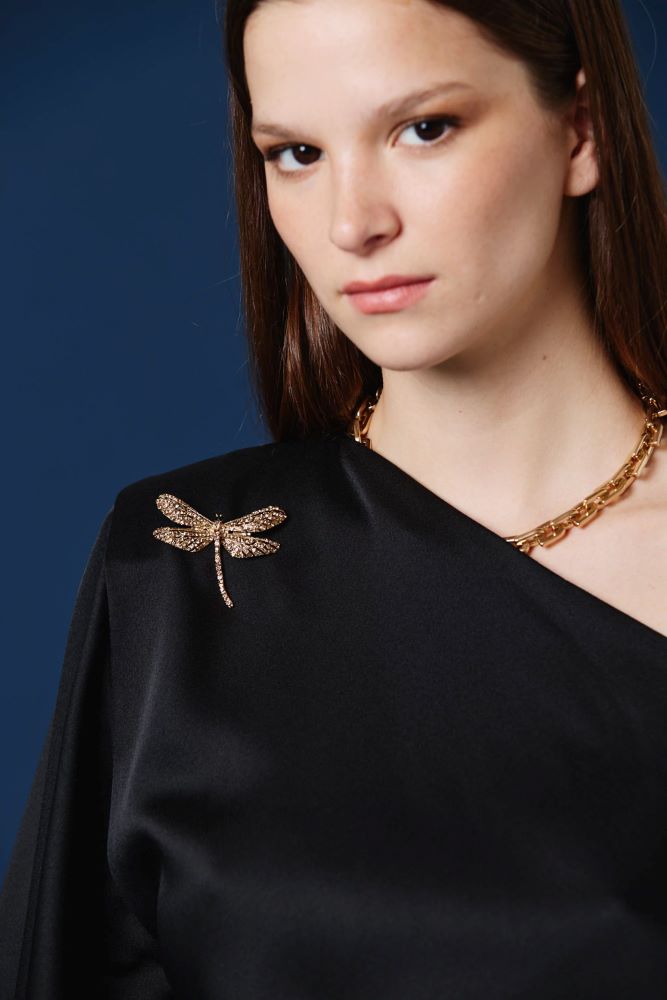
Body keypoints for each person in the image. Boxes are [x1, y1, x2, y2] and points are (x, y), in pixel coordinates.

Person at [1, 0, 666, 996]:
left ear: (581, 130)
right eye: (297, 154)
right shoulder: (170, 575)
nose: (354, 223)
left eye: (423, 128)